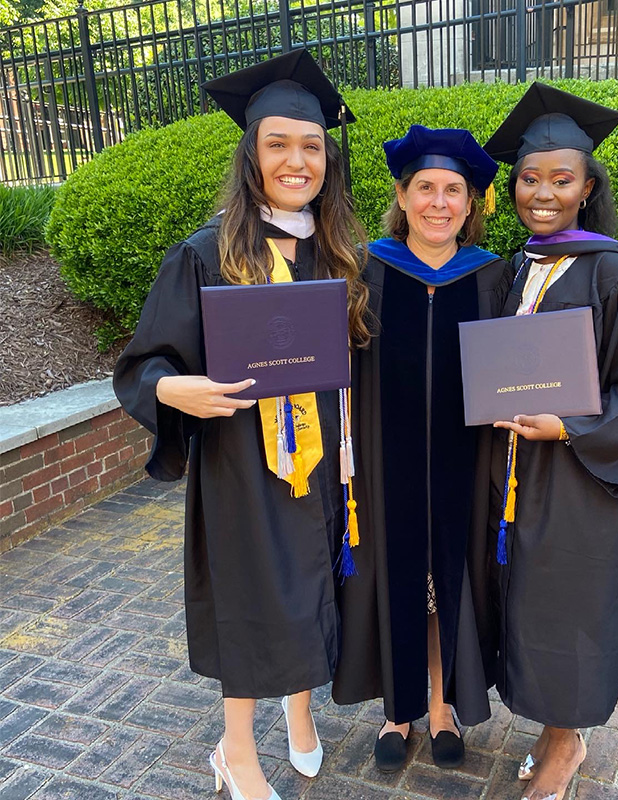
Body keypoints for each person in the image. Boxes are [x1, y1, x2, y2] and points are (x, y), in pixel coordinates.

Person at [113, 50, 371, 800]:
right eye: (278, 144)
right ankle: (235, 751)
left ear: (328, 156)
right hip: (242, 470)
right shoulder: (205, 254)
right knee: (255, 598)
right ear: (251, 154)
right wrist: (176, 391)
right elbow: (143, 366)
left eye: (312, 145)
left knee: (314, 584)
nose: (297, 160)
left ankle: (299, 716)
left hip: (325, 464)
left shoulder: (338, 254)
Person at [482, 83, 618, 800]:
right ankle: (552, 728)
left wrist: (568, 425)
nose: (542, 193)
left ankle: (566, 747)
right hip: (523, 473)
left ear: (587, 186)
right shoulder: (520, 267)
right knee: (532, 603)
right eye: (530, 179)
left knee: (572, 609)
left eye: (560, 179)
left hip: (584, 482)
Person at [332, 126, 512, 772]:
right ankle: (396, 710)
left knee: (447, 579)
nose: (440, 202)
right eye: (426, 188)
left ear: (472, 203)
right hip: (388, 462)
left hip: (465, 459)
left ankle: (439, 705)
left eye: (454, 191)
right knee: (396, 575)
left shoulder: (491, 279)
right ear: (402, 196)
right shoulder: (367, 269)